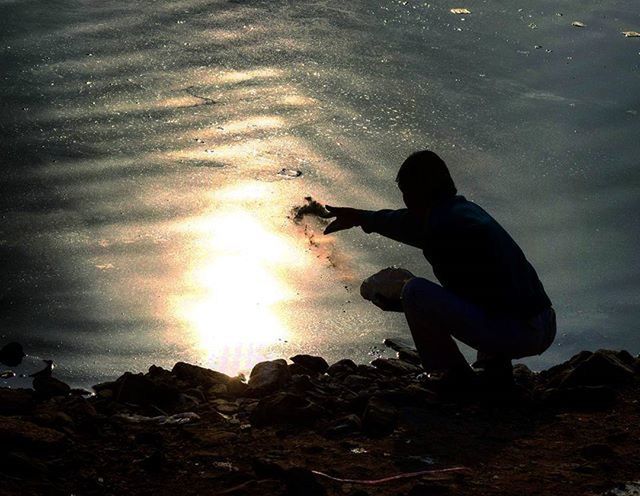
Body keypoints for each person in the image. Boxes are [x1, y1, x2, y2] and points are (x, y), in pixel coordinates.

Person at [323, 150, 556, 389]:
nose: (405, 201)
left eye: (406, 193)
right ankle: (495, 372)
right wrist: (361, 218)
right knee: (476, 296)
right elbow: (403, 223)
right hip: (543, 322)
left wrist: (404, 303)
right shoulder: (462, 212)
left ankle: (454, 378)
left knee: (415, 291)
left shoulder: (444, 227)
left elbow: (411, 229)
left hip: (521, 330)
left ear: (416, 194)